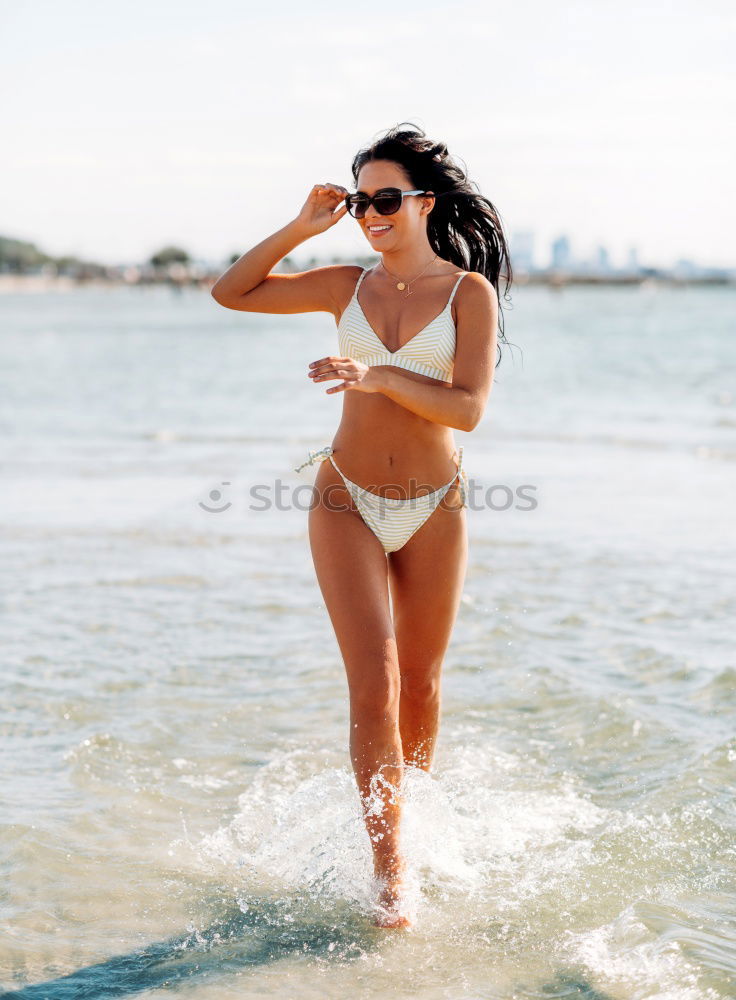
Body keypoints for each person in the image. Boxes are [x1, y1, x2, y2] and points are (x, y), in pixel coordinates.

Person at [211, 122, 512, 929]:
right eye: (360, 202)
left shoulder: (467, 294)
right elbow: (231, 292)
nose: (372, 214)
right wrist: (303, 227)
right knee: (374, 687)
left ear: (426, 201)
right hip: (343, 497)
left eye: (386, 198)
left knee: (420, 684)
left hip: (435, 506)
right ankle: (392, 877)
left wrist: (373, 374)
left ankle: (419, 827)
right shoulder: (345, 282)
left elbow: (469, 409)